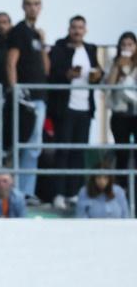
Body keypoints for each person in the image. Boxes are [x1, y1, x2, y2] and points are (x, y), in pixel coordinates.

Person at [48, 15, 102, 209]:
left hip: (84, 108)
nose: (77, 31)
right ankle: (59, 193)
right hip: (65, 108)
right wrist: (67, 75)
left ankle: (74, 192)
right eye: (74, 27)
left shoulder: (90, 49)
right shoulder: (60, 47)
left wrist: (97, 76)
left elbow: (97, 72)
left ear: (85, 30)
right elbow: (53, 73)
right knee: (63, 151)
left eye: (80, 27)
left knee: (79, 152)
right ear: (69, 29)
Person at [6, 0, 50, 202]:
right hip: (26, 98)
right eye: (29, 4)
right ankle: (20, 192)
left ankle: (27, 190)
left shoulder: (36, 34)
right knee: (23, 143)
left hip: (40, 96)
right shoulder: (19, 31)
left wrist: (43, 43)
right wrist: (15, 89)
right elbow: (11, 61)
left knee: (34, 145)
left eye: (36, 4)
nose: (33, 8)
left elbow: (46, 68)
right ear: (23, 7)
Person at [106, 32, 137, 171]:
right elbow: (108, 86)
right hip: (120, 114)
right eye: (123, 44)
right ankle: (123, 187)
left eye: (130, 44)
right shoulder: (114, 63)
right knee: (122, 154)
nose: (127, 48)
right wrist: (117, 67)